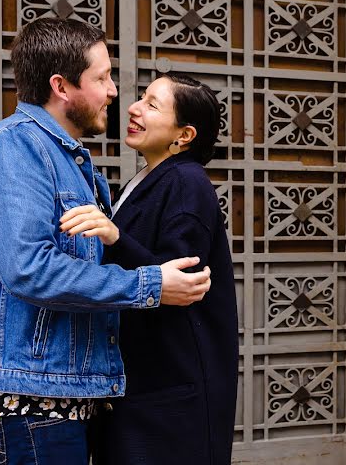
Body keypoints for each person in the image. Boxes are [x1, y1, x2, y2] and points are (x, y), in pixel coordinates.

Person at [0, 18, 212, 465]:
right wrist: (148, 286)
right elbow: (31, 270)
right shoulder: (13, 148)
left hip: (61, 393)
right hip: (28, 396)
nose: (115, 92)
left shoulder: (71, 160)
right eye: (102, 77)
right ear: (62, 86)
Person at [61, 73, 238, 464]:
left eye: (152, 104)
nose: (133, 108)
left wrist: (113, 237)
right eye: (141, 98)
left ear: (185, 134)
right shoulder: (146, 179)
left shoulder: (188, 182)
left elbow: (181, 280)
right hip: (140, 385)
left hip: (173, 396)